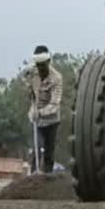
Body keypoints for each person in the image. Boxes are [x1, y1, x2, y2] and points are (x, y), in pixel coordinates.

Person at [25, 45, 63, 173]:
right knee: (37, 149)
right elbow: (30, 91)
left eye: (42, 65)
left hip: (52, 120)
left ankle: (47, 178)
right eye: (38, 65)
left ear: (48, 62)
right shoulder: (32, 73)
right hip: (37, 119)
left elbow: (54, 104)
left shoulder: (57, 78)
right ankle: (33, 175)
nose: (40, 68)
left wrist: (40, 113)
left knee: (49, 152)